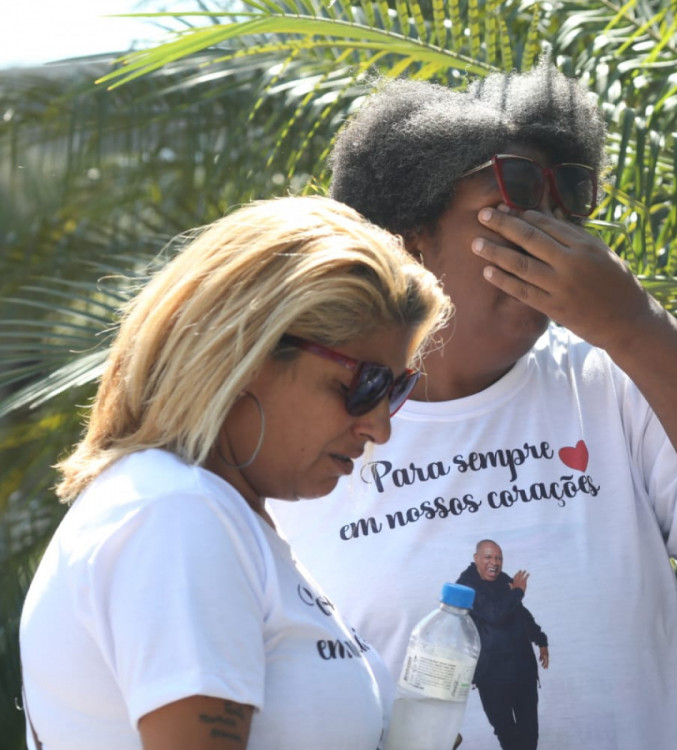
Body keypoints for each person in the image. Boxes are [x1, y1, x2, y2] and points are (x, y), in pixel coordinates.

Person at [267, 63, 677, 747]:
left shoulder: (612, 379)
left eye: (565, 209)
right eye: (516, 202)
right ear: (410, 239)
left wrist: (635, 324)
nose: (555, 237)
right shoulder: (308, 424)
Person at [19, 196, 450, 750]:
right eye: (364, 384)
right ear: (248, 354)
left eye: (395, 391)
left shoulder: (211, 513)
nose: (379, 428)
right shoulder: (176, 515)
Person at [455, 539, 549, 749]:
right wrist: (517, 591)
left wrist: (540, 640)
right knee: (508, 735)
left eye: (499, 558)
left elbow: (521, 614)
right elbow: (493, 613)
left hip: (522, 672)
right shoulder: (465, 587)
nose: (494, 563)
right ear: (476, 559)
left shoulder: (503, 580)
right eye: (488, 557)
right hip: (492, 678)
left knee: (529, 733)